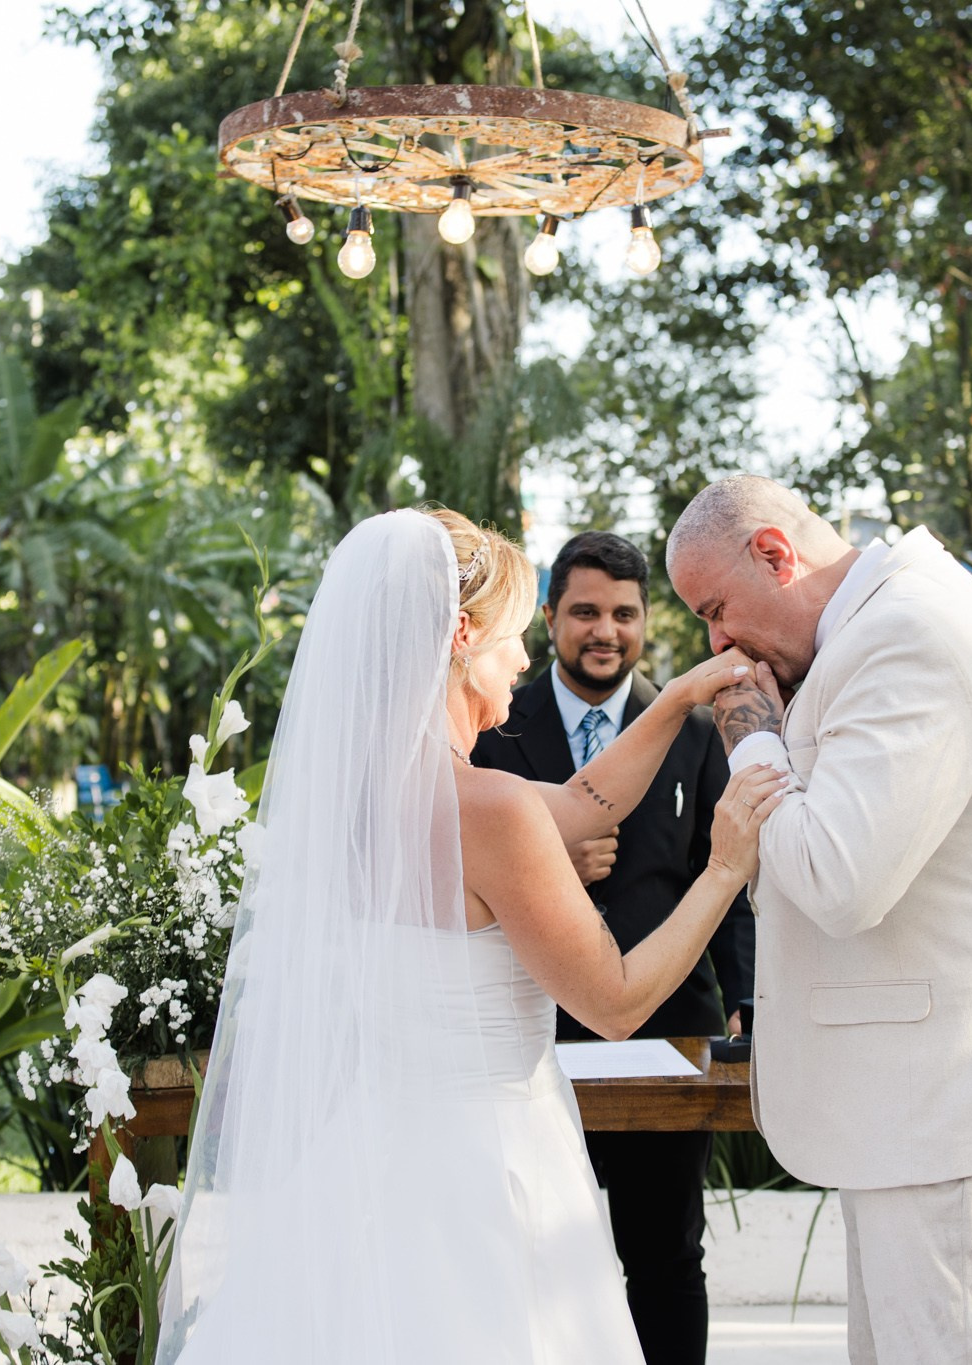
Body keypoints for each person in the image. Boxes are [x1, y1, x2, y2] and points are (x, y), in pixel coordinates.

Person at [155, 508, 785, 1364]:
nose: (525, 659)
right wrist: (723, 867)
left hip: (363, 1160)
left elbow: (571, 805)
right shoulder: (491, 808)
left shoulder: (351, 800)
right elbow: (614, 999)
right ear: (460, 635)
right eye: (514, 636)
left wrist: (676, 697)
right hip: (485, 1171)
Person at [664, 475, 972, 1365]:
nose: (716, 642)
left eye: (716, 609)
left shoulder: (909, 634)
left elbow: (840, 876)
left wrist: (754, 740)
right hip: (917, 1111)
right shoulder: (875, 629)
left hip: (957, 1106)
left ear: (774, 552)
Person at [473, 530, 755, 1365]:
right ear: (552, 615)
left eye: (625, 614)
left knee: (666, 1256)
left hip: (665, 1029)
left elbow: (726, 875)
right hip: (533, 1030)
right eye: (586, 611)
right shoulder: (491, 719)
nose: (607, 630)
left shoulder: (695, 727)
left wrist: (749, 996)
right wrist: (548, 855)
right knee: (535, 1254)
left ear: (644, 621)